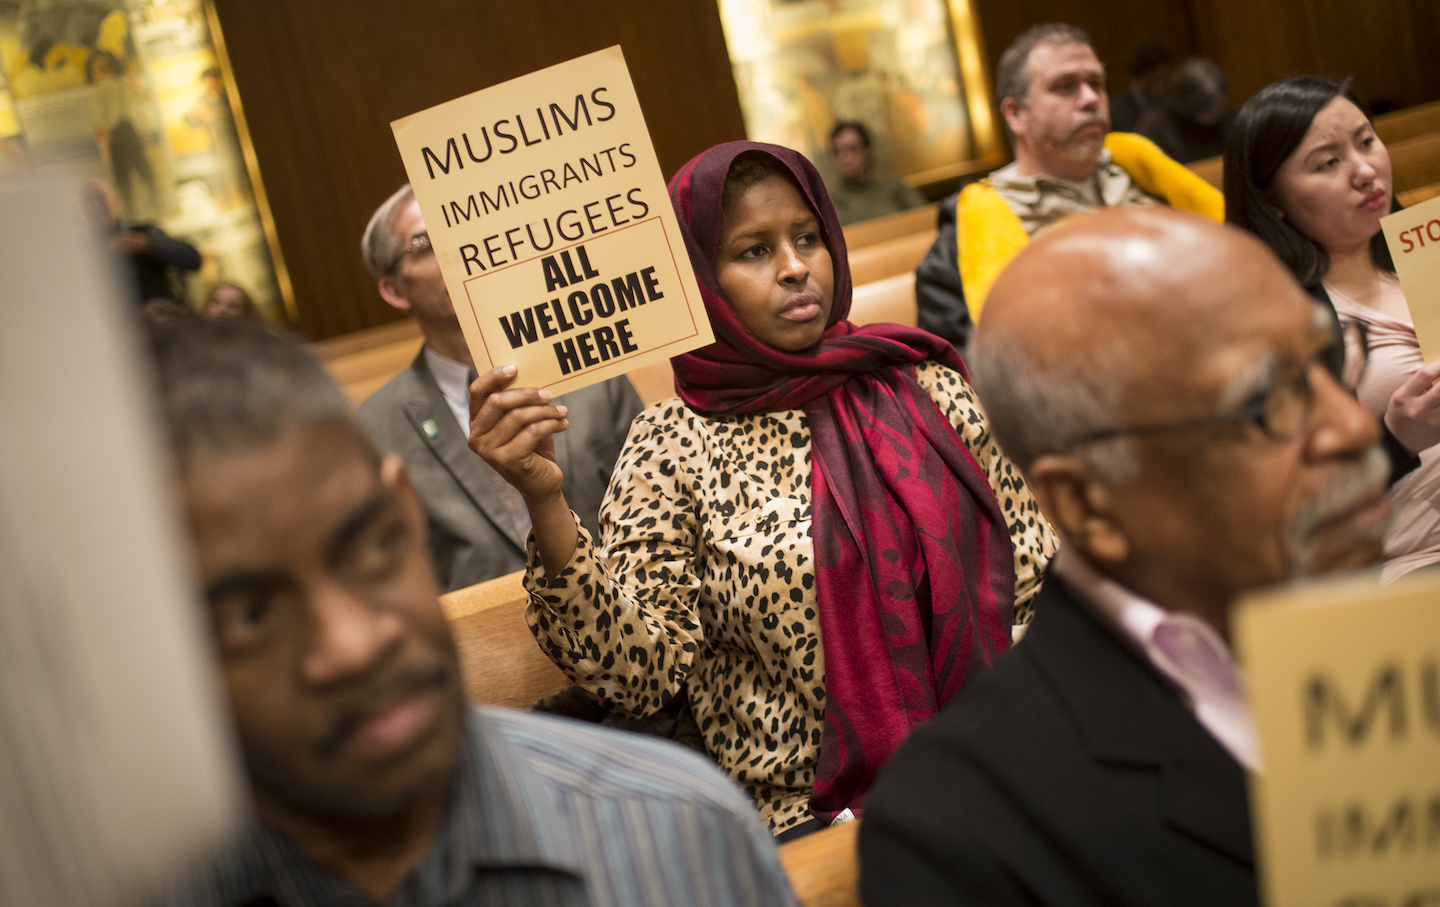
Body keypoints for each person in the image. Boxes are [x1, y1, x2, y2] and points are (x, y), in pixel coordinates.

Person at [468, 141, 1057, 838]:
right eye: (752, 250)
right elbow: (638, 677)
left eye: (807, 238)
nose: (795, 266)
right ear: (698, 281)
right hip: (811, 821)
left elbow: (1037, 580)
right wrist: (544, 501)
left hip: (1007, 771)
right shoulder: (673, 442)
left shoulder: (924, 384)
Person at [147, 318, 800, 907]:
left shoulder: (682, 835)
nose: (354, 644)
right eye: (250, 614)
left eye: (371, 548)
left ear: (403, 513)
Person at [859, 206, 1392, 906]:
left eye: (1326, 361)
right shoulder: (964, 821)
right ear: (1090, 505)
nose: (1353, 426)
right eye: (1268, 402)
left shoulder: (1407, 635)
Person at [357, 184, 644, 592]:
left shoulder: (591, 367)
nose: (458, 257)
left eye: (463, 235)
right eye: (427, 244)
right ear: (395, 290)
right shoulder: (371, 430)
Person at [1225, 76, 1440, 582]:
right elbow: (1280, 511)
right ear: (1272, 199)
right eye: (1328, 162)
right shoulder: (1272, 323)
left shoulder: (1426, 251)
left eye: (1366, 141)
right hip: (1402, 565)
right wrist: (1397, 438)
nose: (1365, 171)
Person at [913, 23, 1221, 349]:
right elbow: (962, 376)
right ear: (1016, 114)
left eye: (1096, 83)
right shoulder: (964, 243)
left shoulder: (1149, 180)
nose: (1090, 98)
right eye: (1064, 87)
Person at [81, 176, 202, 304]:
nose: (96, 205)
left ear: (114, 199)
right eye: (87, 201)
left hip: (159, 319)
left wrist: (147, 246)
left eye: (100, 197)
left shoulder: (144, 232)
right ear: (81, 210)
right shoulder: (82, 255)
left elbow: (193, 259)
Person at [1137, 56, 1235, 164]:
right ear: (1188, 105)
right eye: (1210, 110)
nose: (1217, 114)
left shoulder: (1229, 119)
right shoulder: (1155, 128)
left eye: (1221, 106)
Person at [826, 121, 927, 225]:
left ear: (866, 151)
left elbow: (925, 216)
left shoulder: (893, 187)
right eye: (837, 152)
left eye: (852, 149)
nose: (845, 159)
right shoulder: (831, 199)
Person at [1108, 42, 1171, 133]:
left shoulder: (1173, 103)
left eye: (1163, 70)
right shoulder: (1116, 111)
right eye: (1152, 71)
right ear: (1136, 77)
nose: (1160, 74)